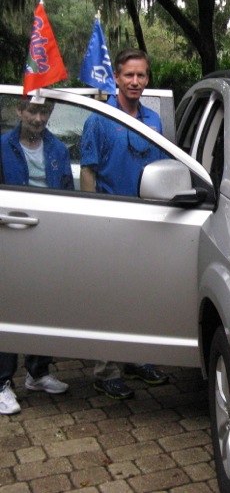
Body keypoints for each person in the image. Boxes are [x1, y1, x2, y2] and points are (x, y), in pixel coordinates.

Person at [80, 48, 169, 400]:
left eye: (142, 75)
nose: (136, 81)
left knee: (143, 293)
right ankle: (106, 369)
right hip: (110, 221)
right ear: (116, 78)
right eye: (129, 75)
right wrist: (91, 219)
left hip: (147, 222)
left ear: (148, 79)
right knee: (109, 296)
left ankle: (138, 358)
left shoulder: (154, 121)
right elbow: (88, 171)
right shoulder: (99, 119)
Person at [0, 97, 71, 414]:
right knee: (9, 308)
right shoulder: (3, 147)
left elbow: (69, 195)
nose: (38, 118)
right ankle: (2, 383)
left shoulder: (59, 150)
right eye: (32, 110)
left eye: (44, 111)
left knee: (45, 305)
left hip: (49, 238)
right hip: (11, 236)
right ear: (19, 110)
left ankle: (38, 373)